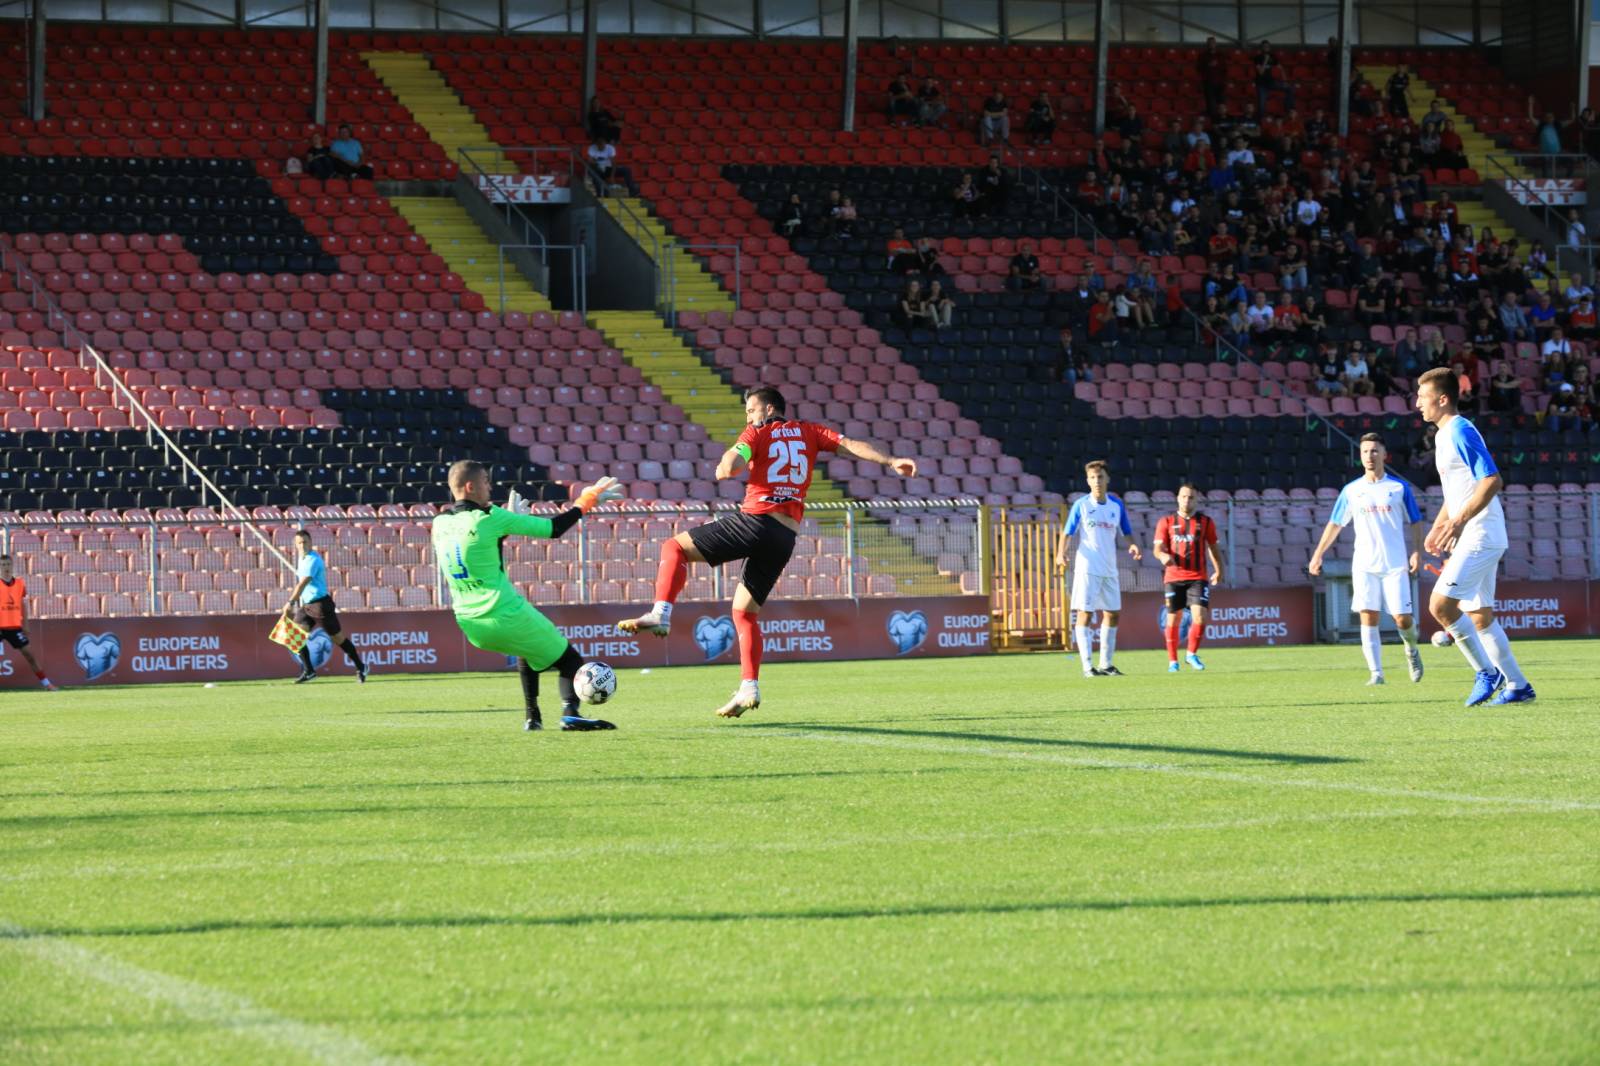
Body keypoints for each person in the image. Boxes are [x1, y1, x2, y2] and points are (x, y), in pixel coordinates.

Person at [617, 387, 916, 718]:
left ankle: (660, 612)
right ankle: (749, 687)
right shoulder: (810, 432)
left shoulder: (757, 433)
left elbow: (728, 469)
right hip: (784, 536)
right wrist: (891, 461)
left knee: (673, 547)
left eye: (750, 410)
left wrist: (729, 458)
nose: (748, 417)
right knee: (744, 613)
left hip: (756, 521)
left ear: (769, 409)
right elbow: (851, 445)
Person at [432, 462, 623, 731]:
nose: (490, 487)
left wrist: (506, 527)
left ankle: (533, 717)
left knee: (527, 650)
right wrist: (586, 501)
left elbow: (475, 544)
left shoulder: (439, 523)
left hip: (469, 623)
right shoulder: (491, 517)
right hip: (502, 612)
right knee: (571, 660)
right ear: (470, 486)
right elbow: (554, 528)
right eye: (485, 481)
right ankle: (571, 713)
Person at [1414, 366, 1535, 705]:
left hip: (1481, 534)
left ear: (1442, 399)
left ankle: (1486, 672)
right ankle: (1518, 686)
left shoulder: (1460, 430)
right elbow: (1459, 491)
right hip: (1477, 533)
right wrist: (1440, 525)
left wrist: (1458, 522)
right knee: (1481, 617)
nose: (1418, 403)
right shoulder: (1442, 435)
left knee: (1440, 606)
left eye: (1422, 397)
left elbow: (1491, 481)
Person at [1307, 433, 1426, 686]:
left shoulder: (1398, 488)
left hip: (1395, 564)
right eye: (1364, 452)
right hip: (1364, 564)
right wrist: (1318, 554)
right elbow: (1335, 523)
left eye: (1374, 451)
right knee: (1368, 615)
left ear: (1384, 455)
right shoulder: (1352, 490)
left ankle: (1411, 649)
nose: (1369, 456)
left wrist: (1417, 551)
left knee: (1402, 618)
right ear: (1360, 456)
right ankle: (1376, 673)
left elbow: (1415, 521)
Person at [1054, 461, 1143, 678]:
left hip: (1109, 569)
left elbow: (1126, 530)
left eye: (1100, 477)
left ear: (1107, 479)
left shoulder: (1116, 505)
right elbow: (1067, 533)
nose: (1097, 481)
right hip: (1087, 568)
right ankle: (1087, 667)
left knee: (1112, 614)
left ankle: (1106, 664)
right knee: (1085, 613)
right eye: (1093, 478)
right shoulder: (1082, 505)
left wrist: (1132, 544)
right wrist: (1060, 553)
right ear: (1087, 481)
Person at [1152, 484, 1225, 672]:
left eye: (1191, 497)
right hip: (1173, 578)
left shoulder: (1206, 522)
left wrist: (1219, 570)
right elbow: (1157, 549)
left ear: (1196, 500)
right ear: (1178, 498)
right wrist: (1162, 556)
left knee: (1200, 616)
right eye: (1184, 496)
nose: (1187, 500)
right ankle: (1173, 662)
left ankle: (1191, 654)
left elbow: (1213, 548)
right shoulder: (1166, 522)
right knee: (1173, 620)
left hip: (1197, 577)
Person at [281, 530, 369, 684]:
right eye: (299, 543)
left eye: (305, 541)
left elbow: (302, 584)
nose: (303, 545)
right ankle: (309, 671)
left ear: (311, 542)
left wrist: (290, 602)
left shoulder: (313, 560)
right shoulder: (302, 558)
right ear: (296, 545)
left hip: (321, 605)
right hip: (308, 605)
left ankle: (361, 667)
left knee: (338, 639)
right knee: (294, 636)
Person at [0, 554, 56, 690]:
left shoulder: (20, 583)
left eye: (8, 564)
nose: (6, 567)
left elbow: (22, 604)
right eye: (3, 565)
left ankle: (47, 684)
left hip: (14, 627)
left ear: (12, 566)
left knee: (30, 655)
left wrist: (25, 624)